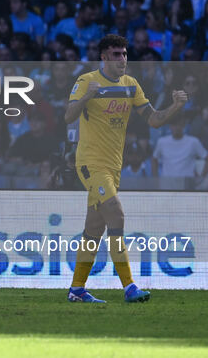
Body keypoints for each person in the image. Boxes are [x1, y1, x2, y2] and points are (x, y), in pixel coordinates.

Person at [64, 34, 189, 303]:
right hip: (90, 163)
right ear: (104, 57)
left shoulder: (131, 85)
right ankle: (130, 286)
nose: (122, 59)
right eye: (116, 54)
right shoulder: (87, 81)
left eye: (124, 53)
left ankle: (76, 290)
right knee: (116, 215)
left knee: (94, 229)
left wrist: (176, 106)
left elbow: (153, 120)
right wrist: (87, 97)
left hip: (113, 166)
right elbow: (68, 115)